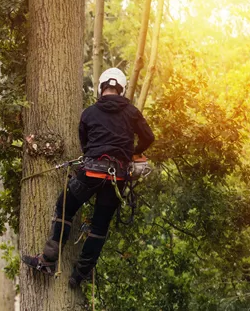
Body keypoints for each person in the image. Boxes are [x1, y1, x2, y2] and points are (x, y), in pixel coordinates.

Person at [22, 68, 155, 288]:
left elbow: (85, 145)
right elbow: (149, 137)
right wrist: (132, 152)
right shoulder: (132, 112)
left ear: (102, 87)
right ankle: (79, 275)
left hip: (91, 172)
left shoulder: (89, 112)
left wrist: (95, 155)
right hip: (117, 179)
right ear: (120, 89)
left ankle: (47, 260)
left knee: (65, 206)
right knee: (99, 227)